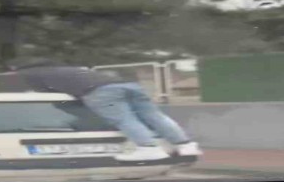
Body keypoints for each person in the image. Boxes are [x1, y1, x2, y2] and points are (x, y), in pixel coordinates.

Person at [11, 58, 201, 162]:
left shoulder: (30, 73)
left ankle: (149, 148)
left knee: (124, 119)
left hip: (99, 92)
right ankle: (186, 145)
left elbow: (45, 92)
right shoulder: (67, 68)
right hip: (127, 85)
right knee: (154, 115)